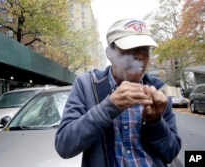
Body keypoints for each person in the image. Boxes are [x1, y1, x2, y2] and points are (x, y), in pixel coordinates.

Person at [55, 18, 181, 167]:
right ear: (109, 53)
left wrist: (155, 122)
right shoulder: (86, 85)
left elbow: (171, 153)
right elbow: (64, 146)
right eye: (130, 49)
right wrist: (109, 107)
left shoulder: (158, 90)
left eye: (145, 49)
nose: (140, 56)